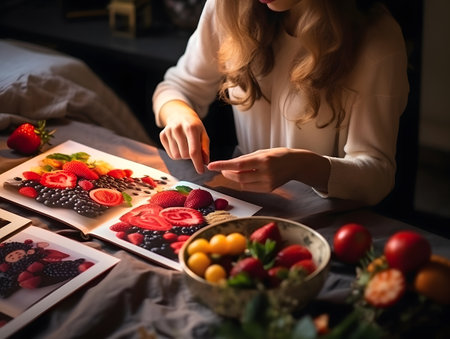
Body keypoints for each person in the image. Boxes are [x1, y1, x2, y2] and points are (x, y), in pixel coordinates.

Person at [152, 0, 409, 205]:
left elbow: (377, 175)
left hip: (326, 218)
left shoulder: (376, 38)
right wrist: (180, 115)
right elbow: (176, 86)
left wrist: (302, 167)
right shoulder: (229, 6)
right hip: (241, 204)